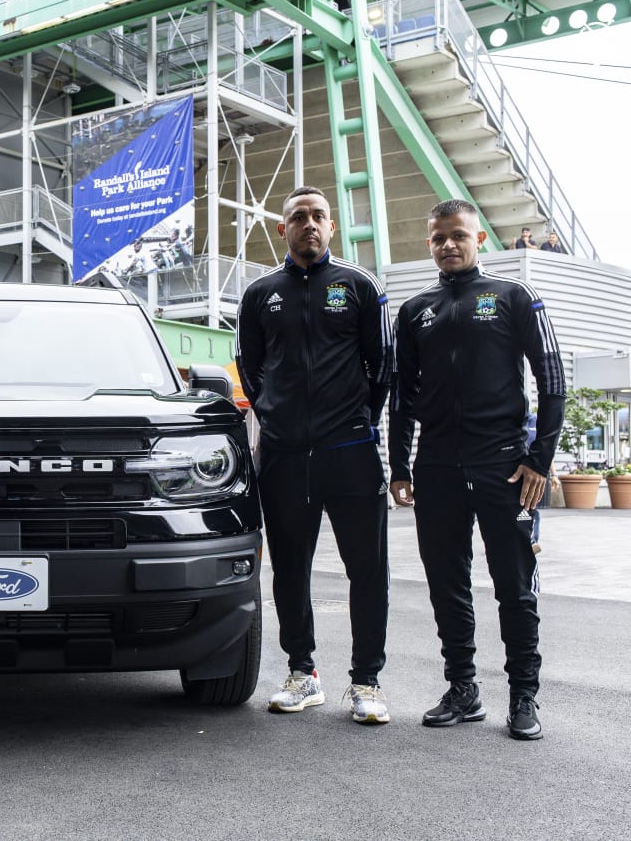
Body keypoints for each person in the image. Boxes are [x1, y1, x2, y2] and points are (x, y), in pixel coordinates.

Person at [389, 199, 565, 741]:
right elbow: (402, 396)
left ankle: (524, 697)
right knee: (447, 585)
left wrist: (539, 459)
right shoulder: (415, 309)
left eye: (458, 235)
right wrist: (399, 465)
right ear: (429, 243)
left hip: (503, 468)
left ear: (478, 237)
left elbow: (552, 379)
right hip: (437, 467)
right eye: (439, 237)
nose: (448, 244)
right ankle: (462, 689)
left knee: (514, 588)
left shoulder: (514, 297)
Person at [236, 186, 394, 724]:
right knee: (288, 570)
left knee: (367, 570)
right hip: (282, 456)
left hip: (350, 453)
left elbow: (382, 367)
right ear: (283, 229)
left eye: (318, 216)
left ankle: (366, 682)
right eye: (298, 217)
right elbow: (250, 368)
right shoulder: (261, 293)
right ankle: (303, 673)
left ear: (332, 227)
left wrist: (356, 420)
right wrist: (277, 416)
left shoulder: (358, 286)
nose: (309, 224)